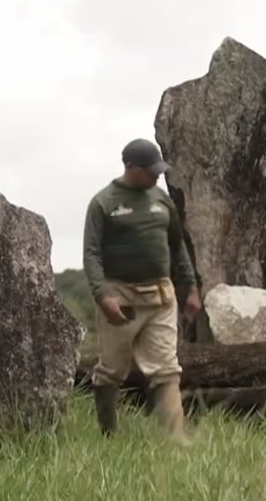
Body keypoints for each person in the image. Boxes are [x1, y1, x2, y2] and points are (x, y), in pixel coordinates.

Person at [82, 138, 201, 444]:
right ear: (131, 168)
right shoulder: (103, 202)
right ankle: (108, 435)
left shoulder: (162, 199)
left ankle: (176, 439)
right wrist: (103, 295)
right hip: (121, 298)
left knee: (166, 368)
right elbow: (92, 254)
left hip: (161, 296)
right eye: (150, 171)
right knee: (111, 370)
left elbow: (177, 246)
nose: (156, 175)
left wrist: (191, 288)